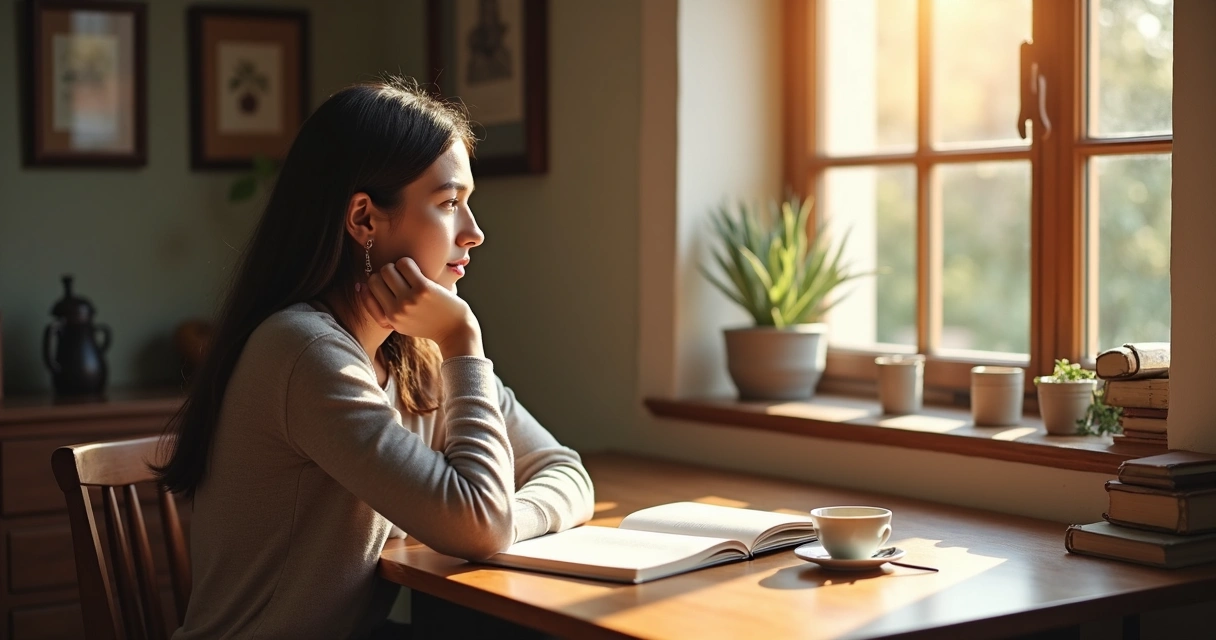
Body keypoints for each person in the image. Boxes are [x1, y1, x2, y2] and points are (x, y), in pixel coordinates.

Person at [155, 77, 595, 639]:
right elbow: (482, 522)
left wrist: (511, 521)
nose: (475, 232)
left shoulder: (416, 354)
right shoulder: (304, 352)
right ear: (363, 218)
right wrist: (464, 341)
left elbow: (564, 471)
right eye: (449, 203)